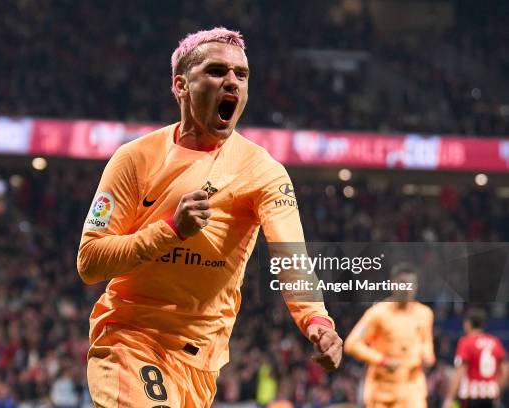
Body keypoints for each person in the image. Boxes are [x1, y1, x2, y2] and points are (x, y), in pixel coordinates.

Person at [77, 27, 342, 407]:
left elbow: (291, 257)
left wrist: (316, 320)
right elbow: (89, 262)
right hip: (129, 339)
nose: (232, 81)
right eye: (217, 71)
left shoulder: (263, 171)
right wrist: (169, 230)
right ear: (181, 85)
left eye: (242, 75)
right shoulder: (134, 159)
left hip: (202, 361)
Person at [344, 263, 435, 408]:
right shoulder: (377, 313)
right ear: (392, 284)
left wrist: (428, 356)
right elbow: (352, 344)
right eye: (403, 284)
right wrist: (381, 361)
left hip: (412, 389)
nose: (407, 289)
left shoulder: (424, 314)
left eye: (412, 284)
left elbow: (426, 343)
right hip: (382, 392)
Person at [442, 308, 508, 408]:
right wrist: (496, 389)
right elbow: (505, 370)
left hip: (471, 396)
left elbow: (460, 371)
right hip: (490, 395)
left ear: (468, 324)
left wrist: (449, 398)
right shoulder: (495, 342)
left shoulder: (466, 342)